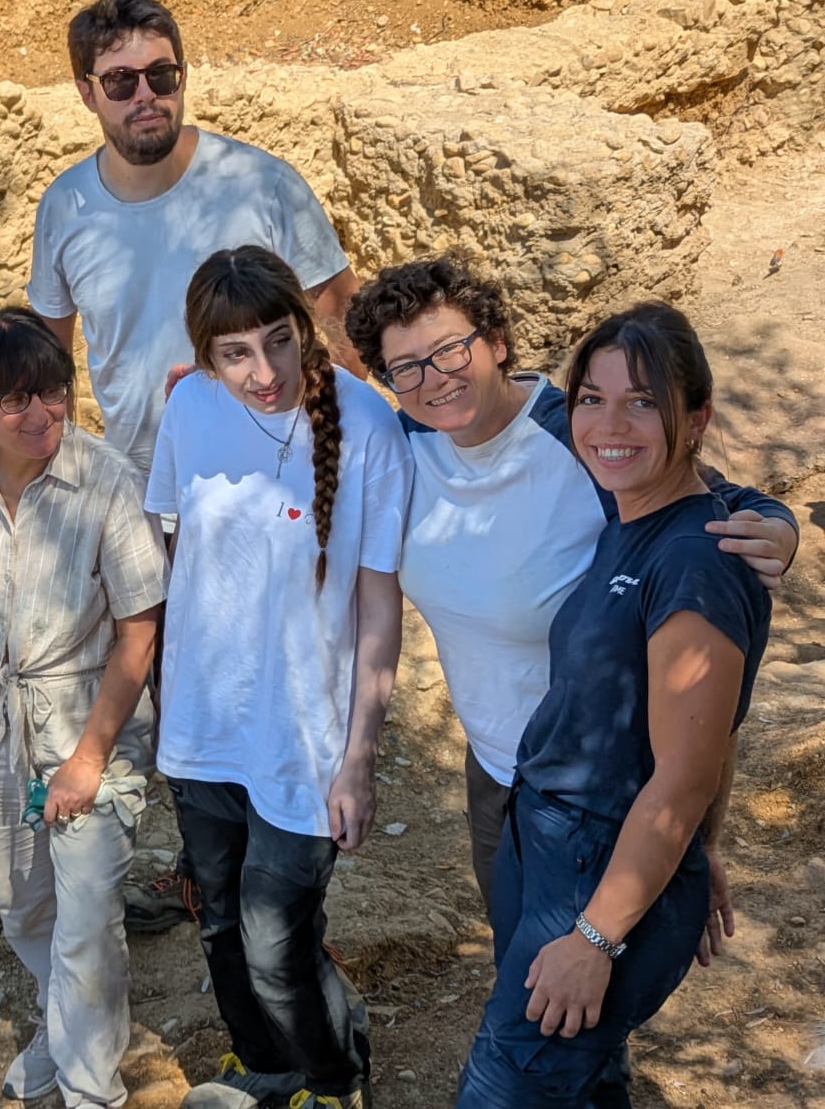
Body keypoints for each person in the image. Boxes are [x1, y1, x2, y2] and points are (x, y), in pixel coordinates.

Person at [27, 0, 365, 934]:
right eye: (121, 81)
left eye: (162, 74)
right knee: (181, 678)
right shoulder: (67, 206)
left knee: (281, 675)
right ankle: (206, 869)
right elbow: (51, 355)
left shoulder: (261, 184)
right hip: (142, 496)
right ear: (86, 91)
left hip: (269, 492)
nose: (147, 95)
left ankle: (285, 899)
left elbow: (339, 321)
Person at [342, 257, 798, 910]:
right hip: (494, 771)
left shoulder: (578, 434)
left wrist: (780, 528)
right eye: (405, 367)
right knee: (517, 956)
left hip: (602, 787)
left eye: (449, 350)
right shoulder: (403, 445)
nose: (434, 379)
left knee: (591, 960)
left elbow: (714, 498)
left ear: (498, 342)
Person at [454, 302, 774, 1108]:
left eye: (642, 401)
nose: (609, 424)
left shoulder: (697, 561)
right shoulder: (629, 516)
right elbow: (691, 741)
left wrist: (596, 936)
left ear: (696, 417)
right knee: (585, 1085)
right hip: (556, 845)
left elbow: (683, 777)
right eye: (592, 398)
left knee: (501, 1090)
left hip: (593, 872)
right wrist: (691, 851)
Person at [146, 246, 410, 1109]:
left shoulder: (366, 426)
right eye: (235, 354)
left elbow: (380, 607)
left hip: (304, 736)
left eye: (278, 341)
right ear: (205, 356)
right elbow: (180, 553)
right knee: (220, 919)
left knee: (274, 942)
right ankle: (261, 1064)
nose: (263, 373)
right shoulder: (189, 405)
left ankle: (333, 1079)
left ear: (304, 327)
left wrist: (359, 757)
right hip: (204, 727)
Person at [0, 309, 169, 1106]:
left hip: (90, 723)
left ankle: (91, 1089)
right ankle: (62, 1029)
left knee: (86, 916)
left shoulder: (107, 479)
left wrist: (88, 758)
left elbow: (139, 631)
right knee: (18, 903)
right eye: (15, 399)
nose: (41, 414)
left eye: (54, 391)